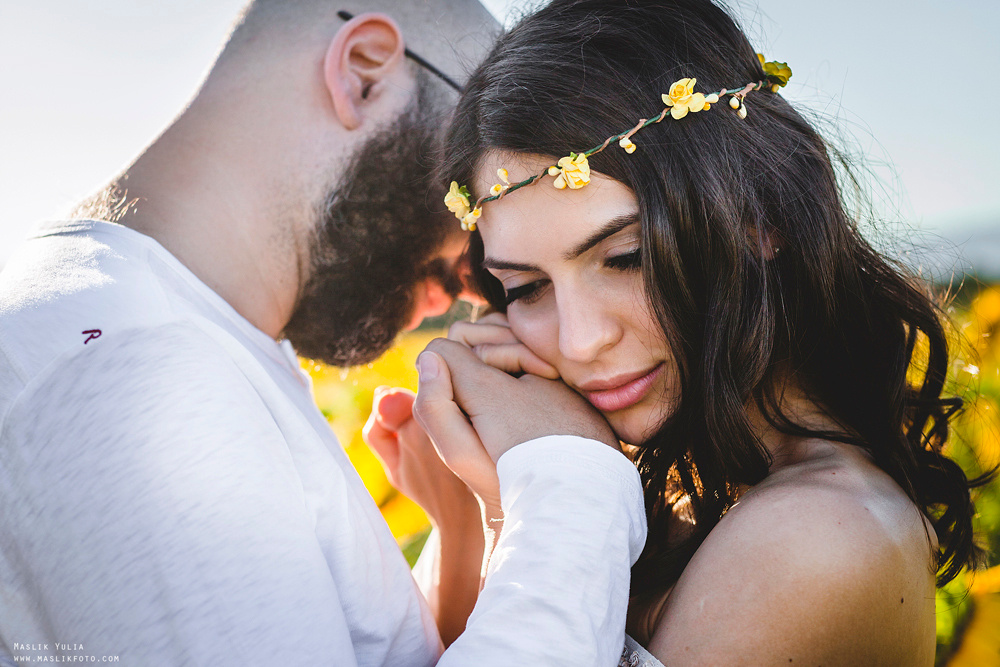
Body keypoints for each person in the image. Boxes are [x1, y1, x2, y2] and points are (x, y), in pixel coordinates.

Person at [0, 2, 648, 665]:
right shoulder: (138, 375)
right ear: (364, 73)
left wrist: (469, 529)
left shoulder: (163, 335)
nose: (474, 264)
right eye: (467, 175)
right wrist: (573, 479)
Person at [386, 0, 987, 664]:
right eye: (525, 287)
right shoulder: (672, 496)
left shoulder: (821, 533)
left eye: (626, 257)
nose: (582, 340)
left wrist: (561, 480)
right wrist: (486, 510)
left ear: (761, 213)